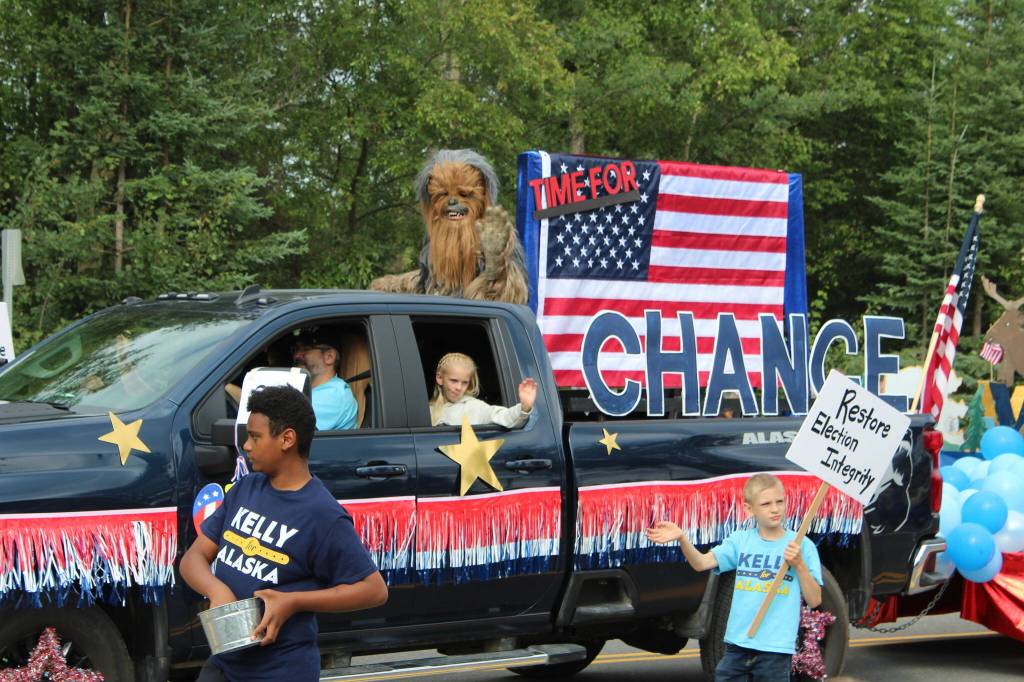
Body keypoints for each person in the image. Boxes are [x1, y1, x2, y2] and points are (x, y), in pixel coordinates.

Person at [180, 385, 388, 682]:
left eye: (255, 436)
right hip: (225, 665)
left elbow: (374, 590)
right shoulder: (245, 488)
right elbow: (193, 559)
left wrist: (295, 601)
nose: (247, 446)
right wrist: (218, 591)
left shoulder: (323, 515)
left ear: (287, 439)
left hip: (281, 670)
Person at [645, 473, 822, 681]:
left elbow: (815, 599)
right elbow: (701, 563)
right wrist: (682, 538)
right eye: (765, 504)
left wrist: (799, 564)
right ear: (749, 509)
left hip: (775, 650)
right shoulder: (740, 541)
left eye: (779, 501)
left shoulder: (802, 546)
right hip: (737, 646)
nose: (775, 509)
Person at [429, 352, 536, 428]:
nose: (459, 387)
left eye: (464, 382)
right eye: (454, 381)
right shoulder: (428, 409)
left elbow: (504, 417)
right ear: (439, 378)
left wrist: (524, 407)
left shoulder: (475, 407)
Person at [292, 331, 358, 430]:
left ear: (329, 357)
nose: (296, 356)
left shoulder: (334, 394)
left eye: (306, 349)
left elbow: (282, 431)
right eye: (295, 350)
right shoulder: (316, 391)